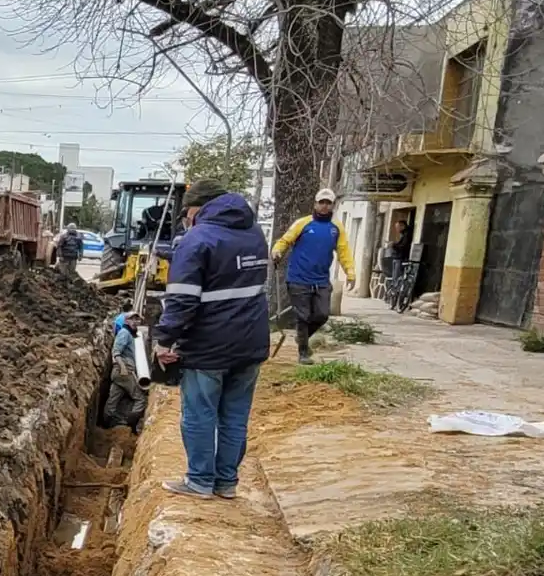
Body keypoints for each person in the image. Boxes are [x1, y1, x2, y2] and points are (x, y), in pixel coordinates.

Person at [151, 179, 271, 500]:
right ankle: (226, 482)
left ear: (197, 208)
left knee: (200, 414)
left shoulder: (197, 238)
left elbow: (181, 300)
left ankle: (200, 481)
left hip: (209, 346)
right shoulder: (254, 234)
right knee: (235, 416)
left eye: (187, 213)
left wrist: (164, 341)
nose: (186, 220)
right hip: (251, 342)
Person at [272, 188, 357, 364]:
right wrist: (277, 251)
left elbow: (344, 251)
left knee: (322, 315)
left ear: (333, 205)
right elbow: (285, 240)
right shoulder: (302, 223)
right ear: (315, 204)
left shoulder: (336, 228)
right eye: (321, 202)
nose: (324, 206)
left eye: (328, 203)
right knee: (303, 316)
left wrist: (350, 272)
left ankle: (301, 337)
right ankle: (303, 352)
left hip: (321, 280)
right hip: (298, 278)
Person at [105, 311, 147, 430]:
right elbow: (116, 351)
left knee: (113, 399)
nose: (135, 322)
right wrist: (123, 367)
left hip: (119, 373)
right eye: (132, 319)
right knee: (141, 399)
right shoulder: (124, 333)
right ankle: (130, 426)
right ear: (126, 321)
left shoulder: (129, 333)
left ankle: (106, 425)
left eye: (137, 319)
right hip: (124, 371)